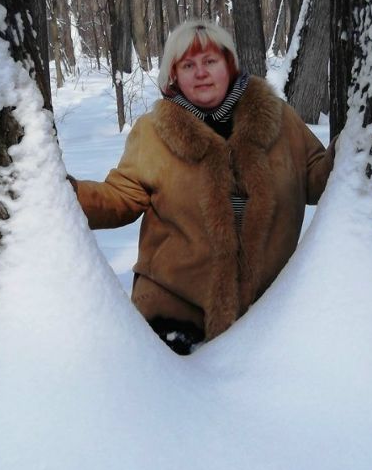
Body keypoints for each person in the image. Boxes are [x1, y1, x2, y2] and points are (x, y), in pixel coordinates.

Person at [71, 19, 333, 354]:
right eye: (188, 65)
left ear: (230, 66)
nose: (201, 73)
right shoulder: (153, 133)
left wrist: (353, 146)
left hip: (271, 309)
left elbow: (316, 179)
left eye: (210, 61)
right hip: (172, 308)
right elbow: (121, 196)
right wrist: (68, 195)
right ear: (174, 76)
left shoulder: (280, 119)